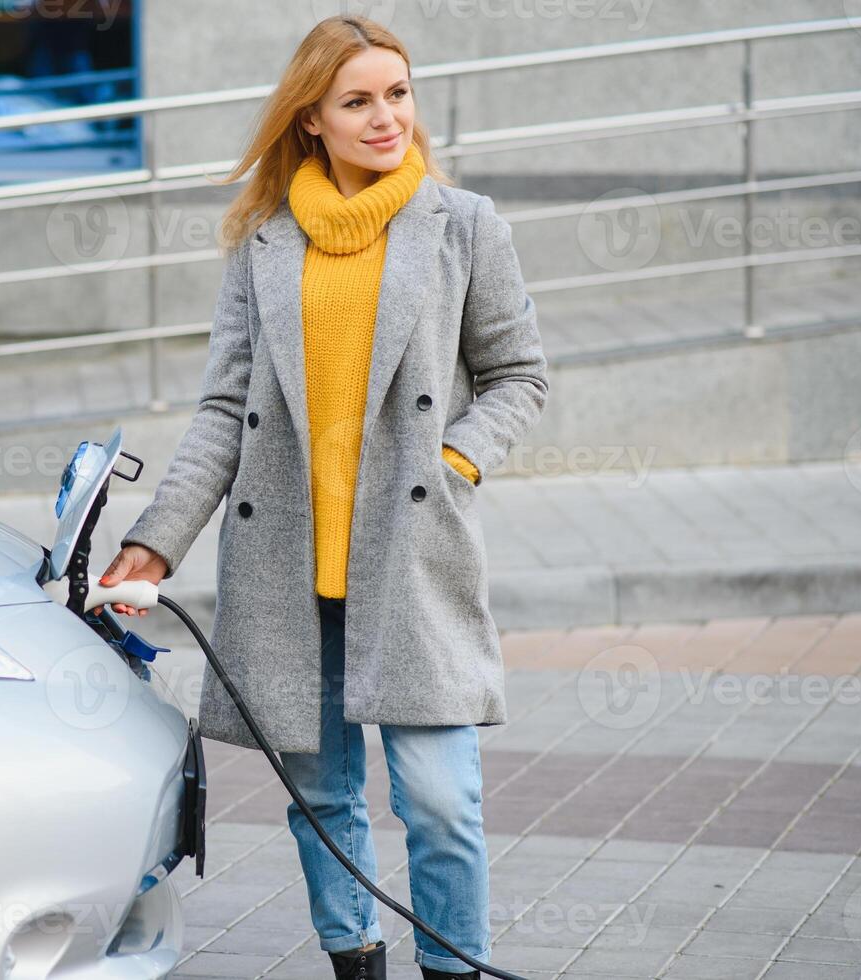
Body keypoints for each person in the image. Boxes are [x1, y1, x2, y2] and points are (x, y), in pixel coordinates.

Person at [97, 15, 548, 979]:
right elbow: (226, 408)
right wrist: (157, 543)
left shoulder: (463, 225)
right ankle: (358, 958)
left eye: (398, 92)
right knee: (319, 793)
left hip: (409, 554)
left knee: (438, 799)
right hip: (286, 562)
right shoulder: (265, 241)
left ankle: (454, 967)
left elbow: (520, 375)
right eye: (358, 101)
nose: (387, 117)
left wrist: (454, 462)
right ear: (311, 119)